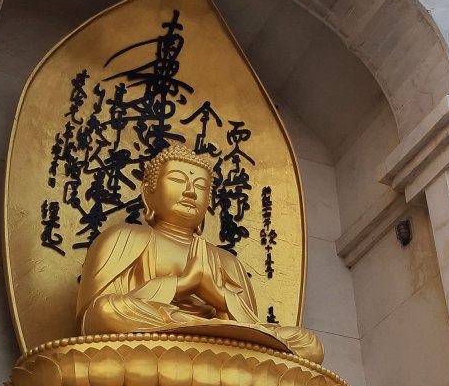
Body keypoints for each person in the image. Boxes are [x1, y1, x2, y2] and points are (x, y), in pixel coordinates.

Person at [76, 145, 324, 362]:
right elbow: (92, 319)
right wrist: (183, 284)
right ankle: (198, 334)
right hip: (151, 339)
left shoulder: (226, 260)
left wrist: (214, 293)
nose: (190, 192)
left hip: (219, 343)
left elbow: (251, 326)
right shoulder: (123, 237)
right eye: (177, 179)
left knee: (307, 343)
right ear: (148, 192)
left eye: (200, 185)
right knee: (108, 311)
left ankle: (201, 335)